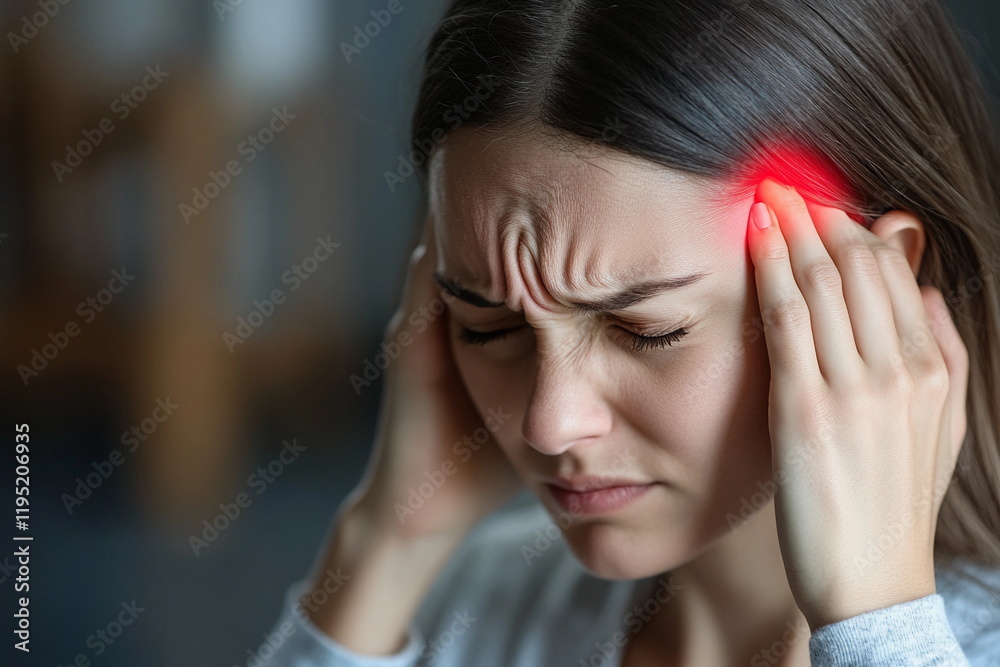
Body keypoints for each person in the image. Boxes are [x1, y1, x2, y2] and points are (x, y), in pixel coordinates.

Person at [258, 0, 1000, 664]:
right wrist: (385, 542)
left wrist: (878, 627)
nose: (551, 423)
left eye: (646, 330)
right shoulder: (472, 603)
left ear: (878, 286)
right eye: (487, 324)